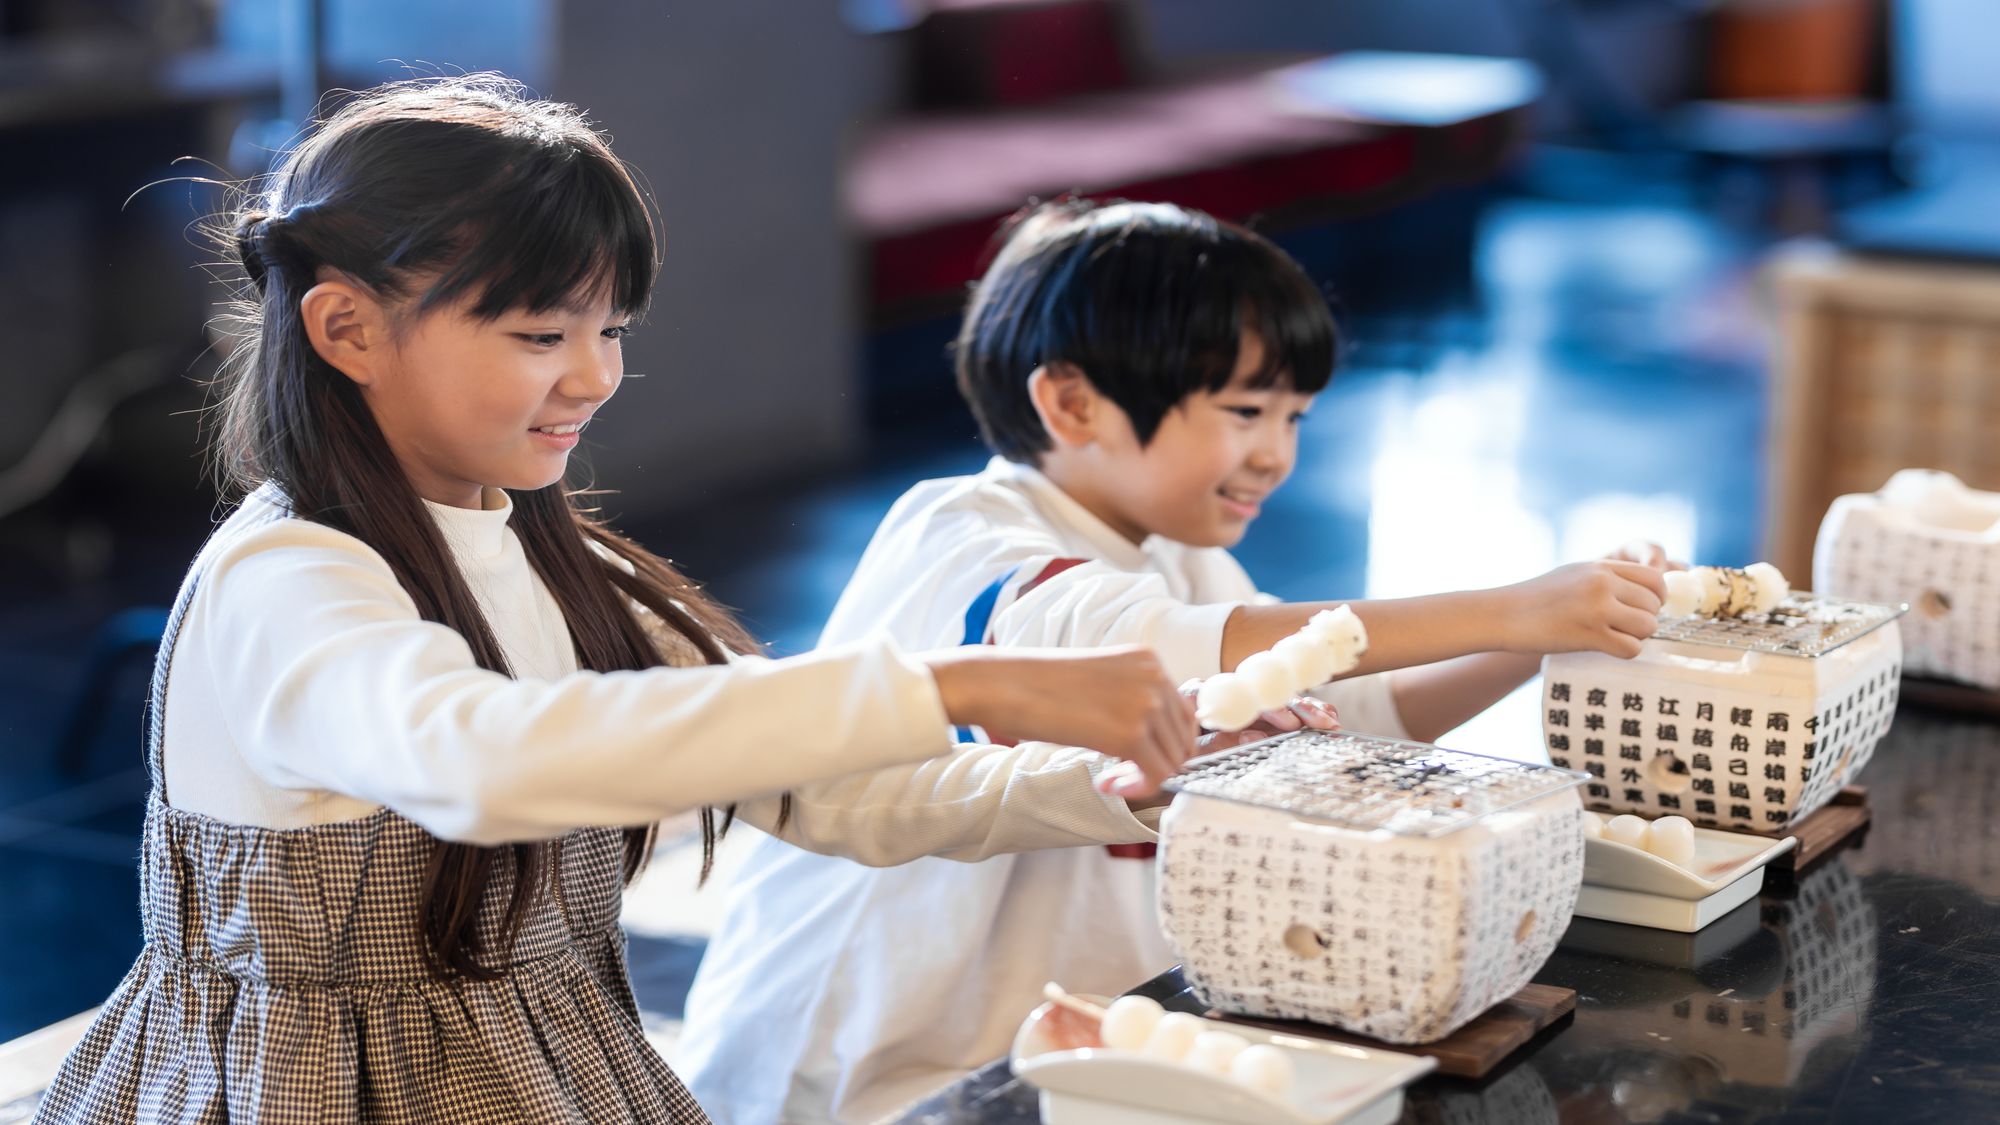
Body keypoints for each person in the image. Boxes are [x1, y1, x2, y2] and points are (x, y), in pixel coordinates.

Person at [31, 82, 1203, 1125]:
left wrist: (1111, 787)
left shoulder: (561, 560)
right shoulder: (288, 576)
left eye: (608, 332)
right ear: (346, 328)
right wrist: (952, 682)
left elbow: (831, 794)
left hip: (546, 1057)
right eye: (542, 333)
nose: (593, 377)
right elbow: (481, 762)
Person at [679, 199, 1670, 1123]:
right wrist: (1507, 603)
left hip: (1070, 1051)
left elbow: (1345, 715)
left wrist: (1537, 640)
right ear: (1072, 404)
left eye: (1293, 418)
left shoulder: (1177, 550)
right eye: (1244, 412)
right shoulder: (966, 537)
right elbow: (1160, 650)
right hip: (871, 1076)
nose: (1276, 454)